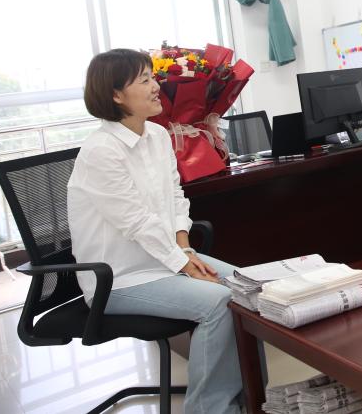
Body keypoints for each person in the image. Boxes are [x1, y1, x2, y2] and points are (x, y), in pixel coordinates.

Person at [68, 49, 244, 413]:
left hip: (165, 260)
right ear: (116, 95)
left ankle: (252, 400)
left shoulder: (159, 135)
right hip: (119, 279)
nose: (156, 86)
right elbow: (136, 222)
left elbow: (175, 197)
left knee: (248, 287)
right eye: (145, 80)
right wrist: (183, 264)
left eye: (153, 77)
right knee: (219, 301)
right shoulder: (101, 151)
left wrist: (186, 249)